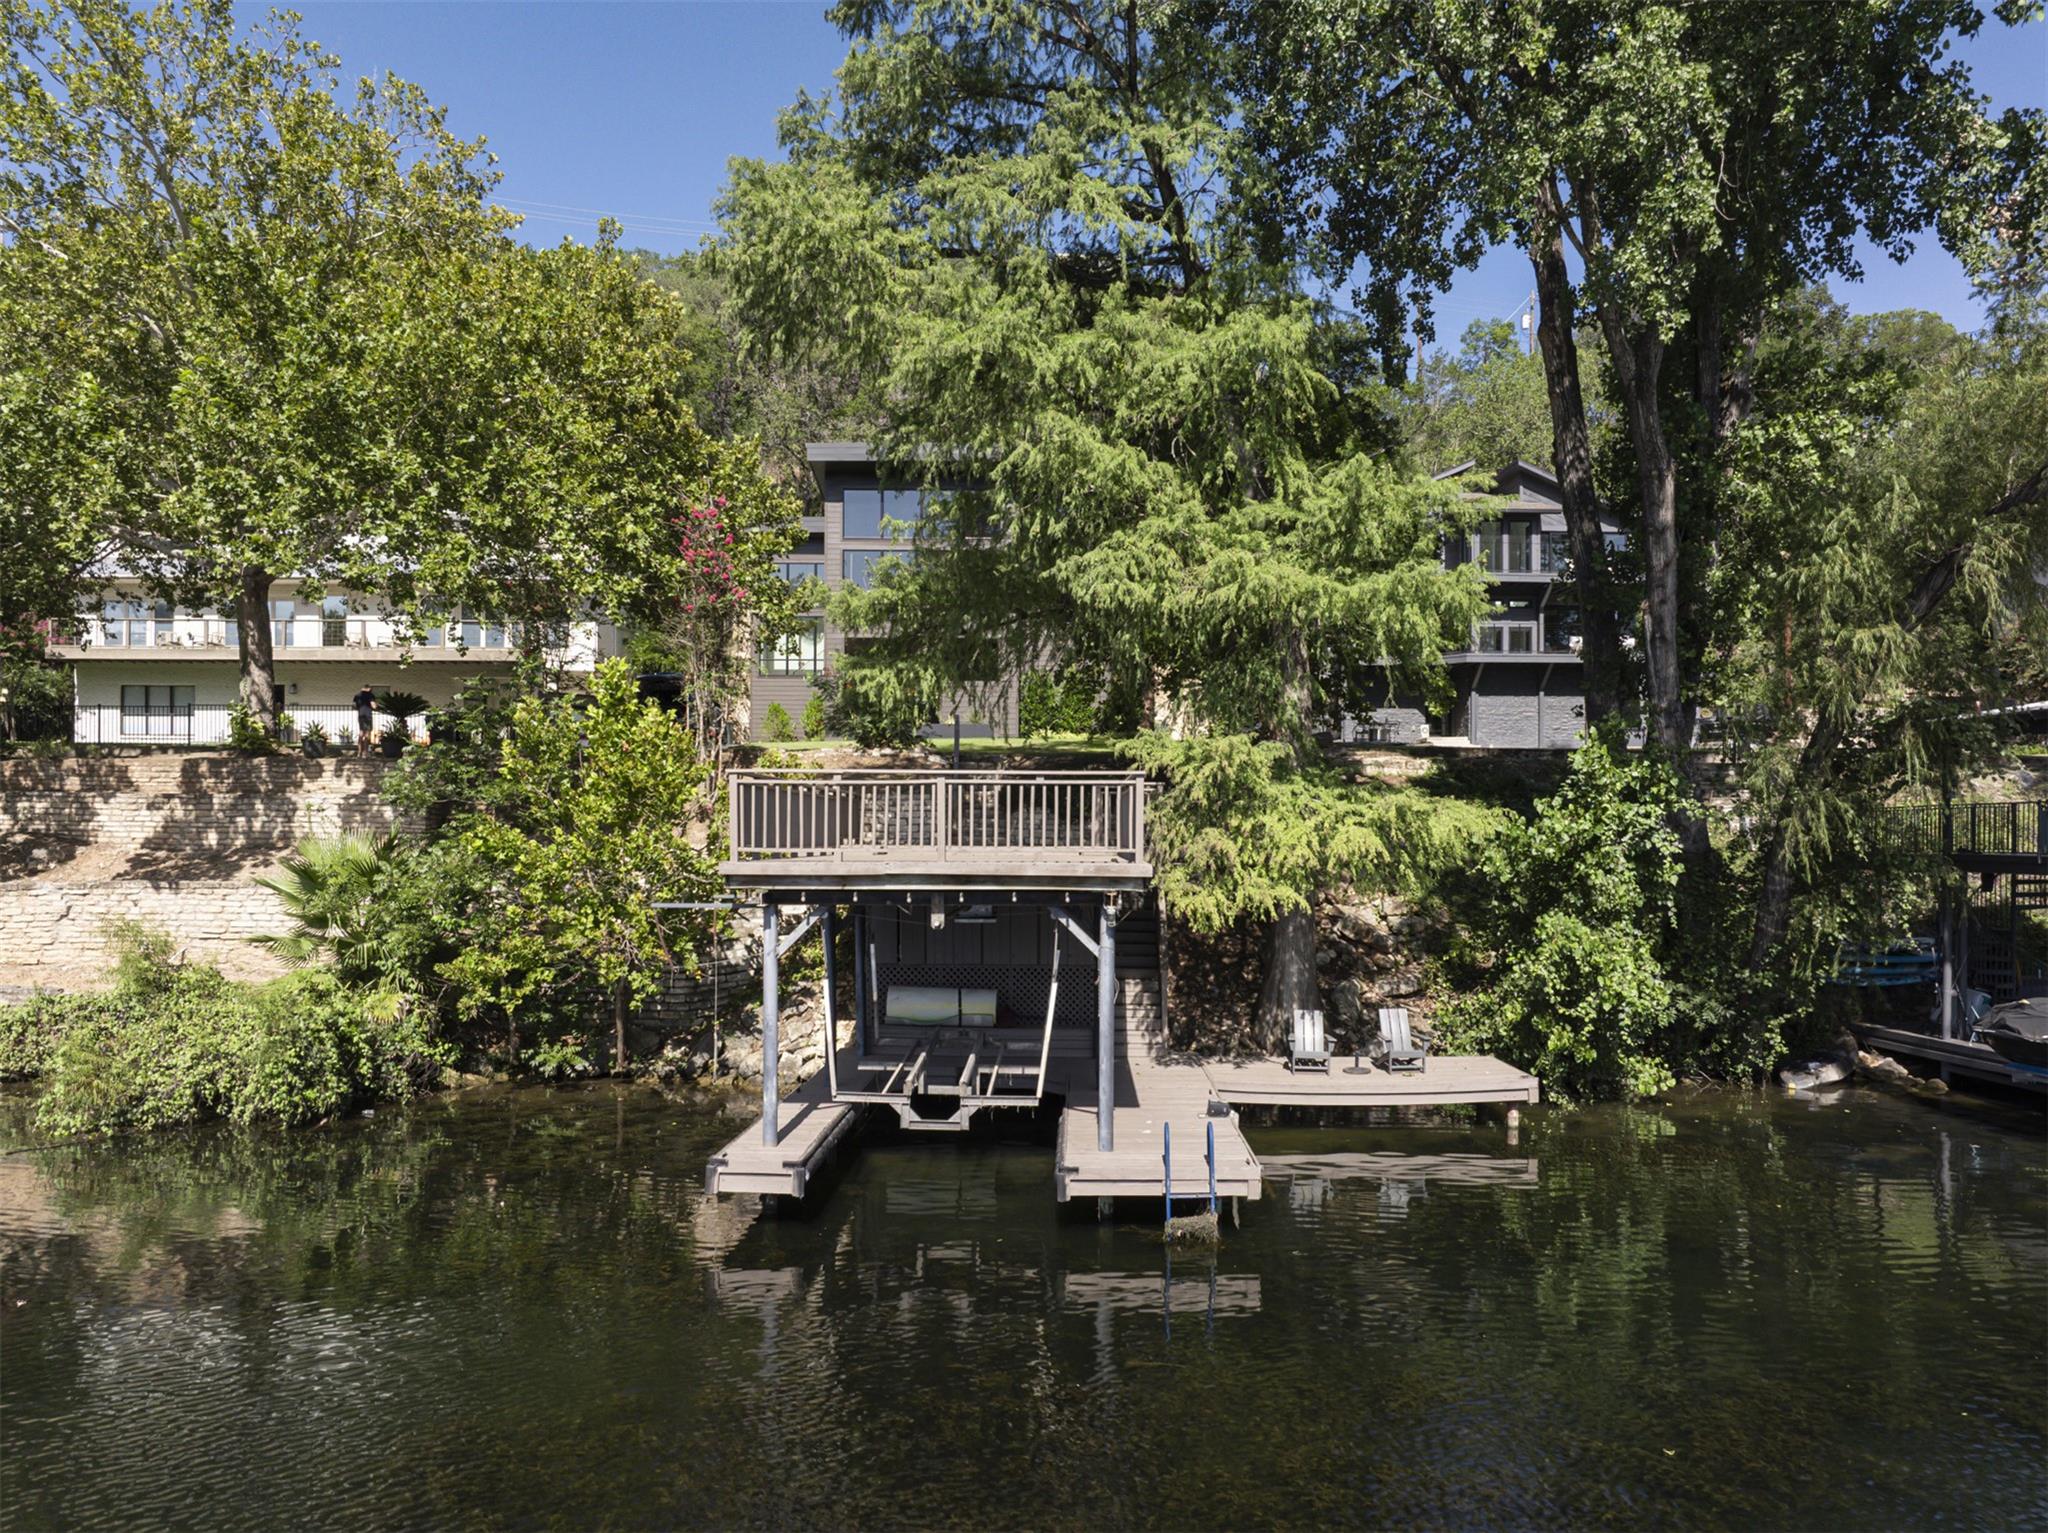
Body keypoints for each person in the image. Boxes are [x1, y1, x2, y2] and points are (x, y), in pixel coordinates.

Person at [352, 685, 376, 757]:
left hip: (360, 716)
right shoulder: (370, 695)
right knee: (367, 734)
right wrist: (377, 706)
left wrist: (360, 709)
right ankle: (365, 752)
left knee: (361, 732)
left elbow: (353, 706)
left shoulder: (357, 696)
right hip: (368, 716)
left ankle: (359, 752)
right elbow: (373, 705)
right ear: (369, 689)